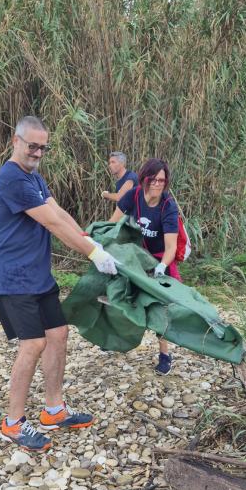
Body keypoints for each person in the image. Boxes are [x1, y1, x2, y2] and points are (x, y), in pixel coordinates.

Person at [0, 116, 118, 452]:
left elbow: (58, 213)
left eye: (43, 148)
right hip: (12, 277)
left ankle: (54, 410)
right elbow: (50, 224)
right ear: (15, 142)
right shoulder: (12, 178)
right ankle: (13, 423)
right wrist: (92, 254)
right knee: (33, 344)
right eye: (32, 146)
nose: (38, 152)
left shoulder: (34, 178)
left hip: (37, 275)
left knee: (58, 334)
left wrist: (88, 238)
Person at [109, 157, 179, 375]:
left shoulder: (168, 206)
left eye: (162, 180)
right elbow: (112, 224)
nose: (158, 184)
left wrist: (161, 267)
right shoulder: (135, 195)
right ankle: (112, 336)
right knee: (117, 293)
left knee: (160, 308)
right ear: (145, 179)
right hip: (135, 256)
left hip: (159, 259)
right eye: (153, 179)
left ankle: (165, 353)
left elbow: (171, 247)